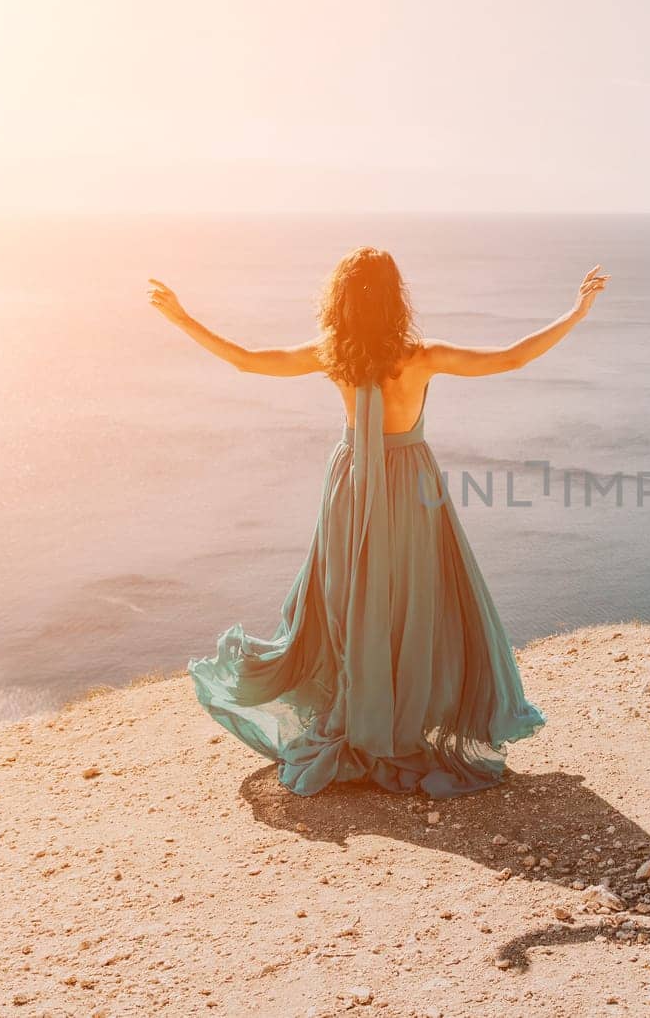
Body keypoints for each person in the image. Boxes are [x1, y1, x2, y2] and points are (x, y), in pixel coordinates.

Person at [144, 248, 608, 797]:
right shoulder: (421, 356)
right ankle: (400, 716)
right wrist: (576, 312)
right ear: (396, 299)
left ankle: (360, 708)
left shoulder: (333, 356)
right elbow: (511, 358)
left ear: (340, 300)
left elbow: (247, 359)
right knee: (413, 597)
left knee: (349, 599)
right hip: (410, 482)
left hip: (354, 484)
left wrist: (181, 318)